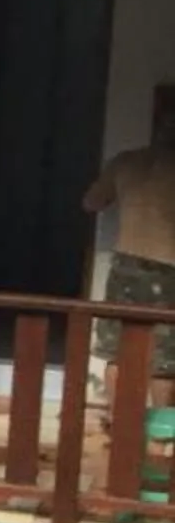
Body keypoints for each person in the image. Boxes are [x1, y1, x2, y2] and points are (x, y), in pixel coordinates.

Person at [85, 85, 175, 381]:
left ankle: (117, 410)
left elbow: (91, 202)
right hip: (168, 268)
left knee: (116, 352)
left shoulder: (125, 161)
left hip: (125, 263)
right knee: (165, 362)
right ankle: (163, 415)